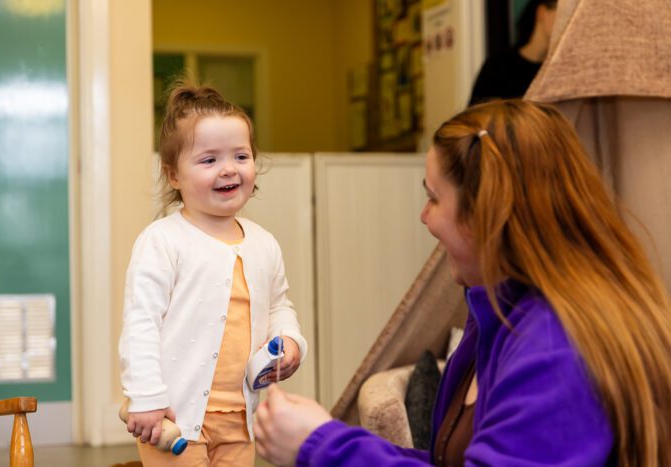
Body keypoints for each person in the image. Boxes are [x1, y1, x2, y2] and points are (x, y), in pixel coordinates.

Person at [254, 99, 671, 466]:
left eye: (434, 198)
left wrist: (325, 445)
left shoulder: (556, 347)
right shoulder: (494, 313)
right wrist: (326, 437)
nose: (425, 217)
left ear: (488, 216)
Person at [118, 80, 308, 466]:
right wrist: (147, 397)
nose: (229, 170)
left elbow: (278, 305)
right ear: (173, 175)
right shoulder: (163, 242)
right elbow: (141, 324)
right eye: (209, 160)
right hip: (175, 418)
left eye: (241, 156)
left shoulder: (263, 243)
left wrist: (289, 340)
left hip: (240, 420)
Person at [468, 0, 557, 105]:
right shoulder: (498, 65)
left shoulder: (558, 69)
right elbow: (477, 115)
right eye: (562, 14)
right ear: (541, 12)